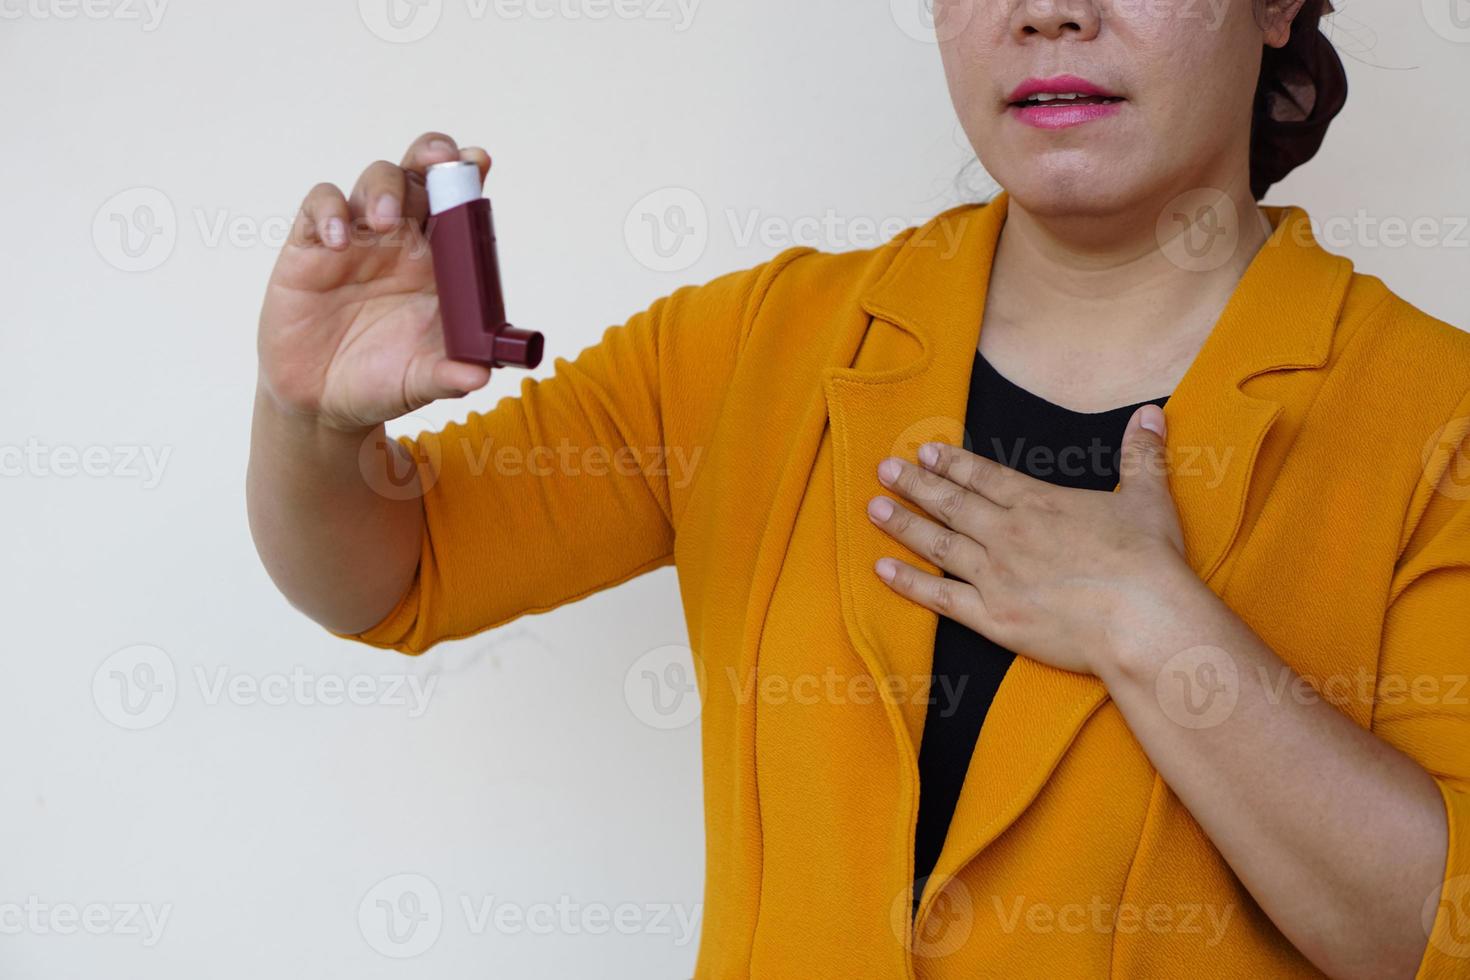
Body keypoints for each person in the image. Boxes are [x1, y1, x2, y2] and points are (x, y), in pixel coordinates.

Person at [247, 1, 1470, 975]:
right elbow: (394, 574)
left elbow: (1433, 934)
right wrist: (309, 418)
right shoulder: (750, 348)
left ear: (1277, 8)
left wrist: (1151, 626)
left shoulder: (1436, 417)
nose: (1048, 12)